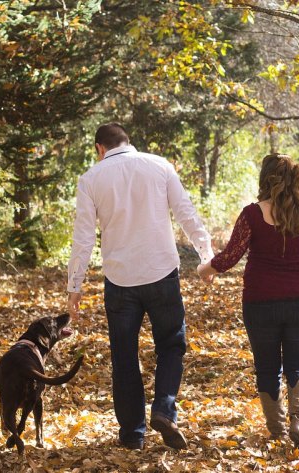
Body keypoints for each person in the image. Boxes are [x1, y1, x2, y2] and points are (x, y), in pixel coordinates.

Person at [67, 123, 214, 450]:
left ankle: (133, 435)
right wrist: (207, 256)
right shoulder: (159, 165)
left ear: (99, 148)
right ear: (127, 142)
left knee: (123, 356)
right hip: (161, 273)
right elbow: (186, 214)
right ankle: (164, 407)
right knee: (172, 344)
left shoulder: (90, 179)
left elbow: (83, 238)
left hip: (120, 282)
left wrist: (74, 285)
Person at [197, 153, 299, 449]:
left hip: (261, 301)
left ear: (264, 178)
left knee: (267, 367)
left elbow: (231, 256)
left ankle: (277, 430)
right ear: (296, 178)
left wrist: (205, 269)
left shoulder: (252, 214)